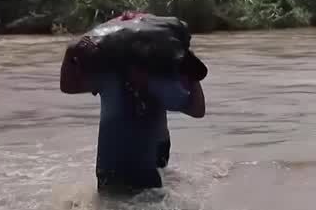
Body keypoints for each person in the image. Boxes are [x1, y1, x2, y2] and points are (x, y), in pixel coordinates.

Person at [59, 37, 206, 196]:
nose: (137, 71)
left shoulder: (157, 85)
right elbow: (67, 86)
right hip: (112, 166)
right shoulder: (110, 79)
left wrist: (193, 76)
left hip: (150, 158)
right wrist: (70, 53)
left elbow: (197, 110)